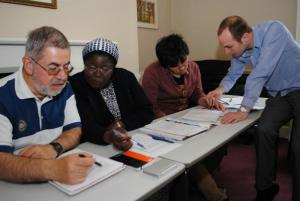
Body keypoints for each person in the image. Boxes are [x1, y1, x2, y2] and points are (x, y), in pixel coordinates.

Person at [207, 15, 300, 201]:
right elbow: (233, 74)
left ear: (246, 37)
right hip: (279, 94)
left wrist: (243, 110)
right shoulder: (240, 51)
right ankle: (265, 188)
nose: (226, 52)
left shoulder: (275, 30)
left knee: (298, 148)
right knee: (263, 130)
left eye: (228, 46)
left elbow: (260, 73)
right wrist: (219, 89)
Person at [0, 26, 95, 184]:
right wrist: (53, 169)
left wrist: (53, 148)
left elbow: (74, 130)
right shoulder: (3, 96)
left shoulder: (65, 88)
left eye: (66, 67)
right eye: (53, 68)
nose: (63, 77)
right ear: (29, 65)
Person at [142, 34, 229, 201]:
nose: (182, 67)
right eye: (174, 65)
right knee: (190, 155)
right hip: (162, 122)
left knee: (217, 140)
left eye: (183, 61)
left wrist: (206, 101)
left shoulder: (194, 67)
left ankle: (191, 181)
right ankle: (216, 196)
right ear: (164, 64)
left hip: (187, 117)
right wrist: (168, 122)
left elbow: (197, 93)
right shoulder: (152, 72)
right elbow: (150, 106)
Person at [69, 38, 154, 151]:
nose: (98, 73)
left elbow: (147, 111)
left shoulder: (126, 77)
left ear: (113, 68)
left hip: (134, 139)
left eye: (105, 68)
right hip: (94, 147)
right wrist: (110, 136)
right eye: (92, 67)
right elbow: (86, 126)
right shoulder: (76, 84)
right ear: (85, 65)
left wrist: (121, 124)